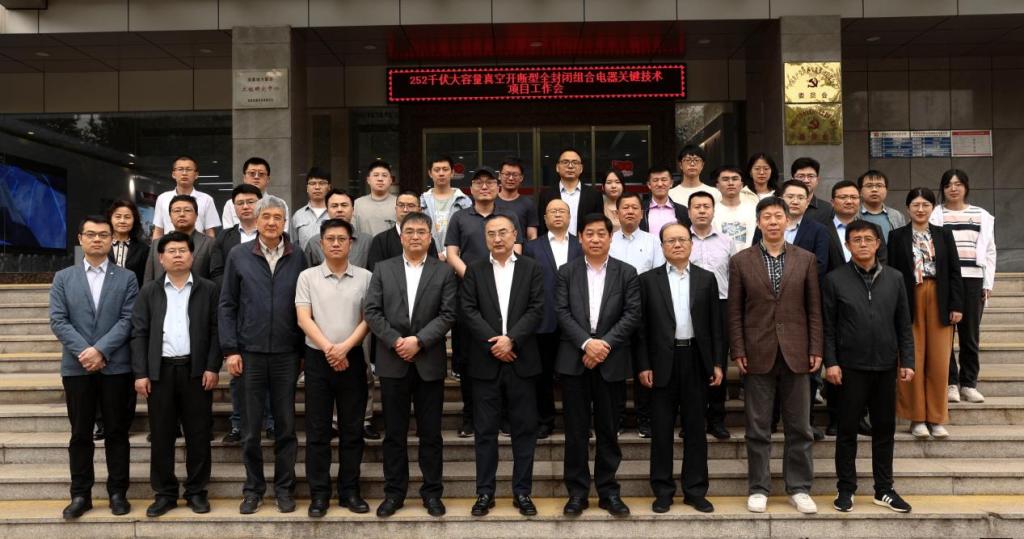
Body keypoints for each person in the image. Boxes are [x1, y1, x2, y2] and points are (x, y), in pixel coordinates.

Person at [729, 196, 822, 515]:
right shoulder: (741, 261)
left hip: (797, 352)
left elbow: (814, 309)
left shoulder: (806, 259)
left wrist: (816, 348)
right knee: (757, 427)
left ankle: (799, 488)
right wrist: (738, 349)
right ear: (758, 223)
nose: (772, 221)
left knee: (800, 427)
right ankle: (758, 488)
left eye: (777, 216)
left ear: (787, 221)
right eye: (766, 217)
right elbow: (735, 311)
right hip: (757, 351)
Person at [364, 212, 458, 518]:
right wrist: (396, 341)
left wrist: (419, 340)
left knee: (431, 434)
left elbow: (448, 313)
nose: (415, 236)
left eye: (421, 232)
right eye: (410, 232)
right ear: (401, 236)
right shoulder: (383, 268)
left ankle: (432, 493)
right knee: (394, 434)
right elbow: (372, 311)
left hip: (428, 362)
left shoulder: (443, 272)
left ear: (430, 238)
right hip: (393, 362)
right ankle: (394, 493)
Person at [219, 195, 307, 514]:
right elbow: (227, 304)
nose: (271, 222)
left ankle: (284, 488)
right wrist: (231, 349)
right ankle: (253, 489)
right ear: (256, 221)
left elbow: (305, 305)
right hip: (249, 354)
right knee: (250, 429)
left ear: (285, 222)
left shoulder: (298, 256)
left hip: (287, 353)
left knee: (286, 427)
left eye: (277, 217)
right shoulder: (239, 255)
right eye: (265, 217)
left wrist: (303, 351)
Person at [823, 220, 915, 514]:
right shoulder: (835, 279)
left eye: (868, 239)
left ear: (878, 244)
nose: (862, 244)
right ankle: (845, 488)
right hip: (849, 367)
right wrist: (831, 362)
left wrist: (907, 360)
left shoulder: (895, 278)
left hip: (885, 366)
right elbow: (828, 327)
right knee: (847, 430)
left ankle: (884, 489)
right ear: (847, 245)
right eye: (856, 239)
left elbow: (903, 324)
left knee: (884, 429)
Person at [49, 215, 138, 519]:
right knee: (80, 434)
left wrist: (101, 350)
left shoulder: (126, 277)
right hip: (77, 368)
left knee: (117, 432)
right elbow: (58, 320)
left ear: (112, 239)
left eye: (103, 235)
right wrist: (85, 352)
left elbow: (128, 319)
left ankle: (118, 493)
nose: (97, 239)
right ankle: (80, 494)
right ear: (80, 239)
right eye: (91, 234)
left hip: (116, 367)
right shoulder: (64, 277)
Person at [130, 232, 221, 517]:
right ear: (161, 258)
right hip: (160, 372)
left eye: (183, 250)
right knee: (161, 435)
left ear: (192, 256)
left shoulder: (208, 289)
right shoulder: (149, 291)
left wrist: (212, 366)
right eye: (171, 251)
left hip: (196, 371)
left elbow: (217, 330)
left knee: (198, 435)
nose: (178, 255)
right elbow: (139, 333)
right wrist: (141, 372)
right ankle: (165, 493)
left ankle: (196, 492)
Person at [555, 213, 641, 518]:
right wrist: (586, 343)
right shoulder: (566, 272)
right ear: (580, 238)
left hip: (611, 359)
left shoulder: (626, 272)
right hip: (575, 359)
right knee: (575, 431)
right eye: (589, 234)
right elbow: (561, 311)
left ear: (610, 237)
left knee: (608, 430)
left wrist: (603, 344)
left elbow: (632, 313)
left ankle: (608, 491)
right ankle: (577, 493)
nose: (595, 239)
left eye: (600, 234)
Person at [461, 214, 546, 517]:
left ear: (514, 235)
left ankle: (522, 492)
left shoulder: (531, 268)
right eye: (491, 234)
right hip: (485, 363)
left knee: (524, 431)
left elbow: (537, 309)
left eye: (503, 233)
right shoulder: (475, 270)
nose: (497, 239)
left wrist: (512, 340)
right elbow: (468, 310)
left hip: (522, 361)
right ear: (485, 238)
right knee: (485, 432)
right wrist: (495, 343)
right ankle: (485, 492)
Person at [637, 223, 724, 514]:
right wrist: (644, 365)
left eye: (682, 240)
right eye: (671, 241)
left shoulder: (706, 279)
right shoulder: (648, 281)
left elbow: (716, 325)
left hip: (696, 360)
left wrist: (717, 362)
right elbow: (641, 329)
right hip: (662, 362)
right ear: (662, 246)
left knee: (696, 429)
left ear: (691, 244)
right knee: (661, 430)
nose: (677, 245)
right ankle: (662, 491)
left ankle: (695, 490)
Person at [295, 219, 373, 517]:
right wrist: (330, 348)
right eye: (330, 239)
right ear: (321, 243)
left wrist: (344, 348)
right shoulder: (307, 277)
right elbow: (303, 318)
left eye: (342, 238)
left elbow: (369, 318)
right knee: (317, 431)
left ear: (351, 243)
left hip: (352, 358)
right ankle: (319, 494)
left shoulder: (365, 277)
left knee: (352, 430)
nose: (336, 243)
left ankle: (349, 491)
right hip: (318, 359)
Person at [445, 167, 525, 438]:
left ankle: (505, 416)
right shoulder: (459, 217)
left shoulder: (508, 216)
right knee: (469, 360)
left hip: (504, 294)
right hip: (468, 295)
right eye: (478, 182)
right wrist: (476, 279)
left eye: (490, 182)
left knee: (505, 354)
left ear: (498, 186)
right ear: (471, 188)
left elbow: (517, 250)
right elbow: (451, 253)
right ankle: (470, 417)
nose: (484, 186)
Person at [888, 187, 964, 439]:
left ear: (933, 208)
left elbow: (954, 271)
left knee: (939, 362)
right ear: (908, 208)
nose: (920, 209)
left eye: (926, 205)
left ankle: (936, 418)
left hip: (939, 298)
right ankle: (917, 418)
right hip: (909, 298)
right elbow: (891, 273)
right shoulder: (896, 236)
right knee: (912, 358)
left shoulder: (944, 234)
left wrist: (956, 305)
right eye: (916, 205)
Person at [210, 184, 274, 445]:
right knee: (238, 376)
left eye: (251, 202)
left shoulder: (274, 234)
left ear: (261, 205)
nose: (246, 207)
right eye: (240, 203)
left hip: (269, 316)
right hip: (238, 314)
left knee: (270, 378)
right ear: (233, 208)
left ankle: (271, 423)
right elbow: (216, 272)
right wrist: (239, 286)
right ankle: (238, 424)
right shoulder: (224, 239)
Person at [931, 169, 996, 405]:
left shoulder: (981, 215)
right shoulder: (935, 214)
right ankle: (950, 383)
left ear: (966, 187)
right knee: (945, 334)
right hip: (945, 280)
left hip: (973, 279)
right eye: (948, 184)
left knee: (970, 335)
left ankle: (969, 384)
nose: (953, 188)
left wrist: (987, 283)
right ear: (943, 188)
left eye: (958, 184)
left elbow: (990, 251)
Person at [523, 198, 582, 439]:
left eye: (562, 211)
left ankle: (576, 423)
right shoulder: (532, 247)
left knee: (575, 376)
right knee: (543, 375)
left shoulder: (581, 245)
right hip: (544, 320)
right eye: (552, 211)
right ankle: (545, 421)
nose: (557, 215)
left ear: (569, 217)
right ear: (545, 219)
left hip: (576, 321)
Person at [609, 191, 665, 437]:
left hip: (645, 312)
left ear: (642, 214)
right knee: (616, 368)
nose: (630, 211)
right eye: (625, 208)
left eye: (634, 208)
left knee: (645, 365)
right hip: (613, 313)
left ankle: (645, 419)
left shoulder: (653, 242)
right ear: (617, 213)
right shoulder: (609, 240)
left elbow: (658, 276)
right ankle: (617, 418)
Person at [687, 191, 735, 440]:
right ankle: (692, 419)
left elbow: (734, 277)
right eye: (697, 207)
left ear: (714, 211)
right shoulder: (681, 239)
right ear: (689, 212)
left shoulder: (727, 241)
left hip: (721, 305)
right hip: (687, 306)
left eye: (706, 206)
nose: (702, 211)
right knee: (692, 363)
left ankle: (716, 419)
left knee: (718, 362)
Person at [143, 195, 214, 283]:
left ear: (196, 216)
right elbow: (148, 278)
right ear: (170, 217)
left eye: (187, 210)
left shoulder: (210, 243)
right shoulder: (156, 244)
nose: (182, 214)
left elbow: (215, 280)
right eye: (177, 211)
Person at [366, 191, 440, 272]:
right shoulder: (380, 240)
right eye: (401, 205)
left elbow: (434, 270)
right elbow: (376, 272)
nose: (405, 209)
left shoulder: (427, 239)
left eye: (410, 206)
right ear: (396, 209)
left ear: (419, 210)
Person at [537, 148, 603, 236]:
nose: (570, 166)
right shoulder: (546, 195)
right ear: (557, 167)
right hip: (553, 243)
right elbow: (542, 226)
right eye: (565, 162)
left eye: (575, 162)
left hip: (584, 244)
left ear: (581, 168)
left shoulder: (594, 195)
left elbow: (598, 225)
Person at [151, 155, 220, 239]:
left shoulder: (206, 199)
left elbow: (210, 232)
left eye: (188, 169)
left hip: (197, 246)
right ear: (173, 174)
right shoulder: (162, 198)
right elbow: (158, 230)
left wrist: (210, 247)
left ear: (196, 175)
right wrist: (155, 247)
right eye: (180, 169)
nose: (184, 173)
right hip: (170, 246)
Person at [304, 189, 373, 270]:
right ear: (327, 210)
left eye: (344, 205)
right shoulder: (314, 243)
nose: (339, 210)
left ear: (352, 209)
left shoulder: (367, 241)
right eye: (334, 206)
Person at [420, 155, 473, 260]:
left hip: (458, 260)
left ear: (452, 173)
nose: (441, 173)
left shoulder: (464, 201)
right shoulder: (422, 201)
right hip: (428, 259)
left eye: (445, 169)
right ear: (430, 173)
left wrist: (447, 254)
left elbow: (468, 232)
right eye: (437, 170)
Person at [220, 157, 289, 231]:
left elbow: (283, 232)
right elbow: (228, 233)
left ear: (268, 179)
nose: (256, 177)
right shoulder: (231, 204)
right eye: (252, 173)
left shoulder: (279, 203)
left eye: (261, 174)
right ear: (244, 177)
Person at [712, 165, 758, 250]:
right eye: (725, 179)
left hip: (749, 256)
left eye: (735, 179)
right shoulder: (711, 211)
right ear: (717, 185)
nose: (730, 183)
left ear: (742, 185)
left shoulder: (754, 210)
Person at [495, 156, 540, 240]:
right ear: (499, 176)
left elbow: (532, 236)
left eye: (515, 175)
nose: (511, 178)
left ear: (521, 178)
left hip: (521, 248)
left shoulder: (528, 204)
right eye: (507, 174)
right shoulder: (490, 202)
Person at [107, 200, 149, 286]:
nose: (122, 221)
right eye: (118, 217)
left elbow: (146, 278)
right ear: (110, 219)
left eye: (127, 217)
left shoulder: (143, 249)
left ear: (134, 220)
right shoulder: (101, 244)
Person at [289, 167, 331, 252]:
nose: (317, 187)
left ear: (329, 187)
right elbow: (293, 246)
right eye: (312, 183)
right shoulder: (298, 216)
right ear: (307, 188)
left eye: (322, 183)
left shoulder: (335, 213)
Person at [353, 159, 398, 237]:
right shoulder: (358, 204)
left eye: (384, 175)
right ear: (368, 180)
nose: (380, 179)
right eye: (376, 175)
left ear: (391, 180)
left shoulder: (399, 203)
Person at [641, 165, 691, 234]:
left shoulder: (682, 211)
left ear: (671, 183)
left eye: (664, 180)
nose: (660, 184)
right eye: (655, 180)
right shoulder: (640, 209)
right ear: (649, 185)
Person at [858, 170, 906, 241]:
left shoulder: (897, 216)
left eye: (879, 186)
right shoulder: (853, 215)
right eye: (869, 186)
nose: (874, 189)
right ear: (860, 191)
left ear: (886, 190)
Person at [791, 157, 834, 226]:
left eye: (810, 176)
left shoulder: (827, 209)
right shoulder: (783, 206)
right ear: (792, 180)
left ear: (817, 180)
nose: (806, 180)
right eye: (801, 176)